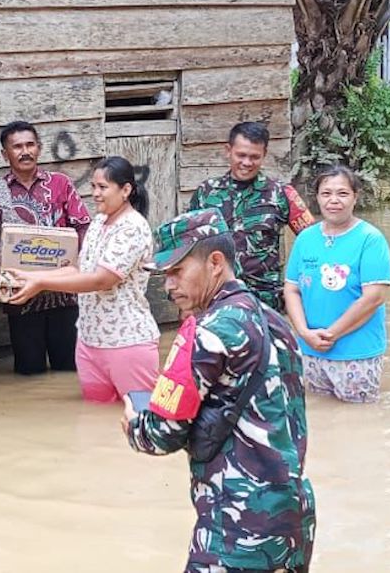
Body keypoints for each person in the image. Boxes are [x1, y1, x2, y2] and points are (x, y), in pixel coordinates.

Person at [122, 209, 316, 573]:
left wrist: (136, 424)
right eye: (165, 275)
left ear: (215, 263)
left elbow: (161, 434)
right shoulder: (275, 322)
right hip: (294, 516)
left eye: (177, 271)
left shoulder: (206, 331)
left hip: (237, 525)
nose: (168, 286)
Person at [9, 157, 159, 407]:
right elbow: (79, 268)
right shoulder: (99, 221)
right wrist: (31, 276)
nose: (95, 194)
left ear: (126, 190)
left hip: (127, 341)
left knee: (140, 418)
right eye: (93, 186)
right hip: (90, 340)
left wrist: (42, 284)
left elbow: (101, 280)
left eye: (103, 187)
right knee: (95, 416)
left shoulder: (133, 227)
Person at [0, 120, 91, 375]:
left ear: (39, 148)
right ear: (5, 154)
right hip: (22, 298)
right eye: (17, 146)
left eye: (30, 145)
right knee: (29, 371)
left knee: (69, 370)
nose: (25, 151)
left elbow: (83, 228)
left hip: (64, 294)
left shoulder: (60, 184)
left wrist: (79, 268)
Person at [284, 165, 390, 404]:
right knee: (320, 413)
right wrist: (304, 333)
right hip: (310, 349)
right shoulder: (305, 238)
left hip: (356, 352)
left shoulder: (370, 239)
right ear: (317, 197)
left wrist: (331, 335)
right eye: (326, 193)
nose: (334, 200)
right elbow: (291, 289)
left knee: (359, 418)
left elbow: (373, 298)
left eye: (342, 193)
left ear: (355, 197)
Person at [188, 121, 314, 312]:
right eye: (241, 155)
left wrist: (299, 286)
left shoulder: (281, 193)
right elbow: (189, 246)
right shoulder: (205, 193)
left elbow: (313, 240)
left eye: (254, 157)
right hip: (217, 299)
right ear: (228, 151)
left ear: (264, 155)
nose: (247, 163)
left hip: (264, 303)